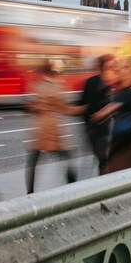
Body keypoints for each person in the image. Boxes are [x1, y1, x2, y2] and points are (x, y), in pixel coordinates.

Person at [25, 61, 85, 194]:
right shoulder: (56, 87)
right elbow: (65, 109)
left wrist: (34, 107)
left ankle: (30, 191)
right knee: (66, 156)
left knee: (33, 162)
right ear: (52, 71)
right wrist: (84, 108)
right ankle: (73, 185)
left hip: (38, 129)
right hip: (52, 129)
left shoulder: (36, 86)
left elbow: (32, 106)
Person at [92, 58, 131, 174]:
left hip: (125, 134)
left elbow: (115, 105)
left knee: (121, 166)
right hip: (125, 134)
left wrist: (100, 114)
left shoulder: (128, 91)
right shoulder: (123, 90)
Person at [79, 54, 115, 169]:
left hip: (92, 124)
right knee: (103, 158)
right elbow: (111, 104)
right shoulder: (108, 82)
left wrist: (87, 122)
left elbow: (83, 103)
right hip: (103, 126)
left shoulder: (90, 81)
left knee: (99, 155)